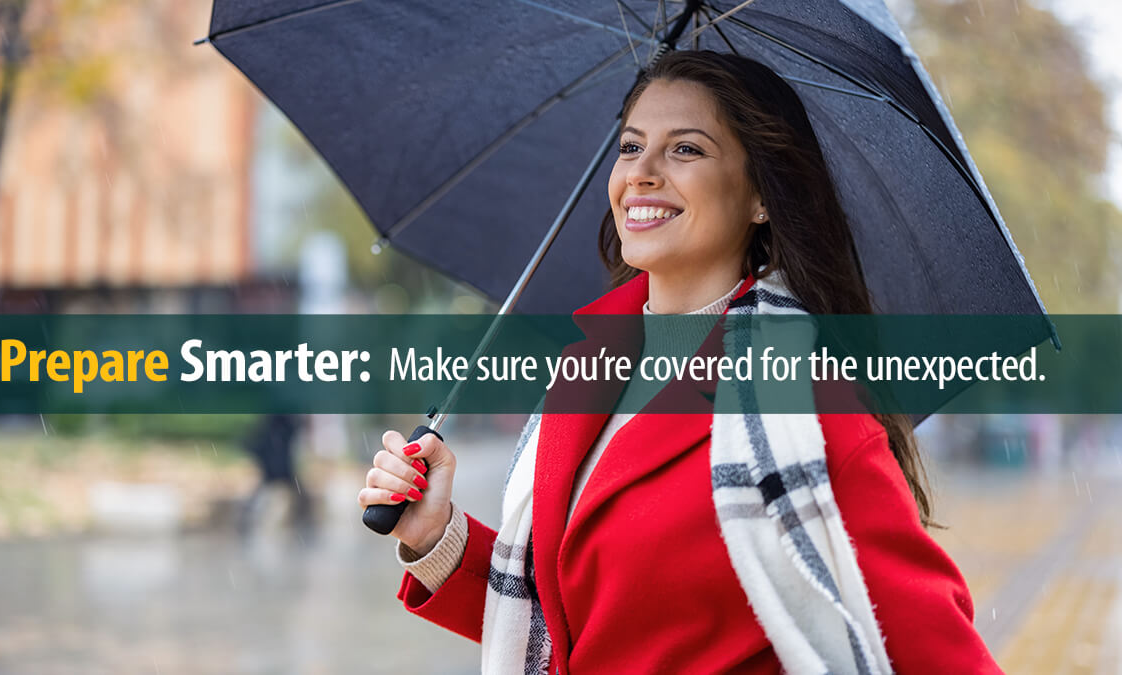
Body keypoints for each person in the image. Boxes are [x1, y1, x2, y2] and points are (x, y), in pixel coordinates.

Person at [357, 51, 1003, 674]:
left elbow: (938, 656)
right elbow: (574, 627)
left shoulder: (803, 411)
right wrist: (437, 533)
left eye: (685, 149)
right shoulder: (586, 370)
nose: (642, 171)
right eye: (632, 146)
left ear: (761, 198)